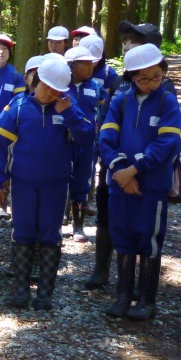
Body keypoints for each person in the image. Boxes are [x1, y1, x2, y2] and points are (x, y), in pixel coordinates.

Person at [0, 54, 95, 311]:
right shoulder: (17, 107)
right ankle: (20, 291)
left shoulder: (69, 107)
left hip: (56, 184)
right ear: (34, 82)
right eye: (45, 86)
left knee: (50, 235)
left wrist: (68, 113)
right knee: (23, 232)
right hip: (23, 183)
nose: (49, 93)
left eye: (56, 89)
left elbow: (87, 138)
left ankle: (45, 294)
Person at [98, 45, 181, 321]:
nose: (150, 83)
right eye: (143, 78)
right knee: (122, 235)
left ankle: (147, 299)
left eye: (156, 76)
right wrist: (121, 171)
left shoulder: (167, 101)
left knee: (148, 238)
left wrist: (135, 170)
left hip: (152, 185)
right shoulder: (120, 101)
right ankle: (123, 295)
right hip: (119, 185)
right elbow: (106, 139)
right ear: (131, 77)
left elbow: (169, 143)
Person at [64, 45, 107, 242]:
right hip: (63, 141)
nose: (91, 67)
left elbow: (105, 111)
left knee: (83, 180)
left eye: (92, 63)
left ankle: (79, 226)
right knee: (59, 178)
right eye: (86, 63)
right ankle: (57, 221)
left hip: (87, 143)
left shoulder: (96, 87)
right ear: (72, 66)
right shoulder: (61, 86)